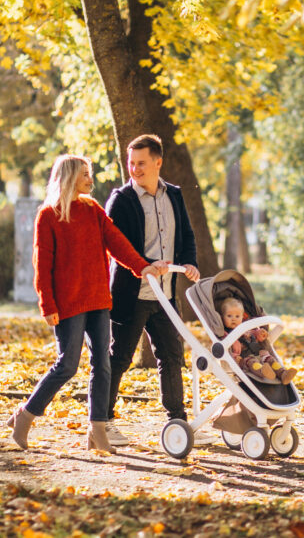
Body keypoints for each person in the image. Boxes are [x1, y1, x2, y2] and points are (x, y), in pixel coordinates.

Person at [6, 154, 167, 452]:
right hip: (67, 304)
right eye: (85, 174)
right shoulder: (49, 215)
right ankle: (25, 417)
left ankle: (97, 433)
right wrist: (47, 305)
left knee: (102, 365)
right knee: (66, 365)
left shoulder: (93, 210)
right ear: (69, 177)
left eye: (89, 174)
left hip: (97, 300)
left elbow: (117, 242)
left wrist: (141, 266)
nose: (90, 180)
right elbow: (43, 265)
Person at [105, 134, 202, 446]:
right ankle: (103, 421)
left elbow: (185, 234)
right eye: (131, 163)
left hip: (166, 294)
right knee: (120, 357)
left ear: (158, 163)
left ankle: (178, 422)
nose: (134, 169)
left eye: (141, 163)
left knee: (172, 356)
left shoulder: (173, 194)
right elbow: (119, 248)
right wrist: (147, 264)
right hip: (132, 293)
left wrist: (189, 263)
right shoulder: (121, 200)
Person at [218, 296, 297, 384]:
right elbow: (226, 349)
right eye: (229, 316)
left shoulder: (247, 328)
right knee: (252, 362)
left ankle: (283, 374)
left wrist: (261, 334)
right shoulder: (225, 335)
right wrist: (235, 357)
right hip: (244, 359)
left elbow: (256, 335)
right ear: (222, 317)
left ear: (243, 316)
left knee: (270, 359)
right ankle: (263, 372)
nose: (233, 319)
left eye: (237, 316)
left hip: (259, 353)